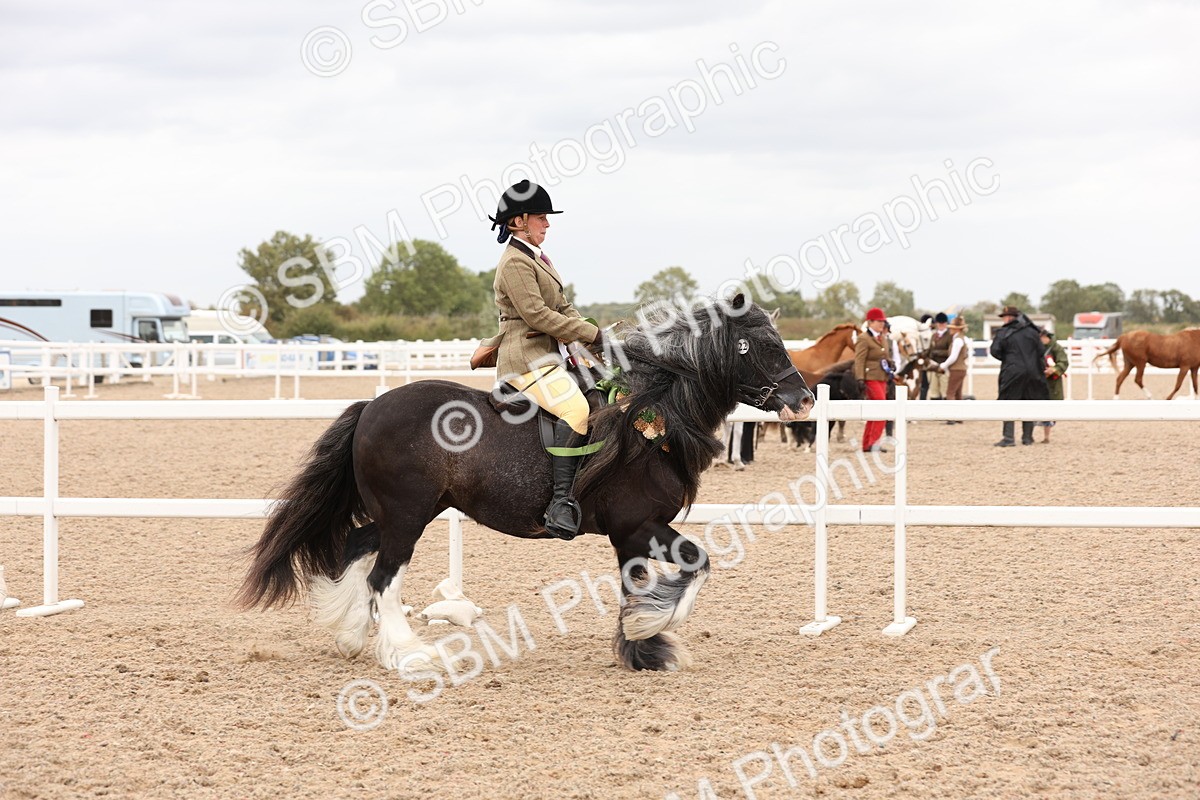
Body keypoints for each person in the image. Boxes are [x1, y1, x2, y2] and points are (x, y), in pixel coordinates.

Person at [485, 180, 602, 539]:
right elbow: (537, 315)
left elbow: (563, 307)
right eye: (540, 217)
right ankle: (561, 502)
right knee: (576, 411)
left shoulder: (537, 259)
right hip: (526, 361)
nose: (546, 224)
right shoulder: (514, 264)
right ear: (518, 221)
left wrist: (594, 342)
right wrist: (591, 335)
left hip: (550, 356)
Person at [988, 304, 1048, 447]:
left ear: (1008, 317)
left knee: (1008, 401)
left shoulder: (1004, 332)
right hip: (1032, 372)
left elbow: (995, 351)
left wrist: (1008, 359)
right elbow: (1041, 351)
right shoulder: (1032, 331)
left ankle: (1009, 437)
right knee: (1028, 402)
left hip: (1013, 372)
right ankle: (1027, 437)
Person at [854, 307, 894, 452]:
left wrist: (890, 362)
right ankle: (873, 443)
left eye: (883, 321)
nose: (882, 324)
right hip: (870, 378)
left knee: (874, 412)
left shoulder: (882, 338)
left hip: (882, 378)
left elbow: (883, 356)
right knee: (881, 410)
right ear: (870, 322)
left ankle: (867, 444)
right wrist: (860, 379)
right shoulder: (863, 338)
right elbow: (859, 360)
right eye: (879, 321)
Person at [1038, 326, 1069, 443]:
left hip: (1052, 383)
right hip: (1038, 381)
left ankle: (1046, 436)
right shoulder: (1036, 347)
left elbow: (1063, 362)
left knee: (1049, 408)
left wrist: (1053, 370)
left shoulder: (1056, 348)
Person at [939, 315, 970, 423]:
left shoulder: (957, 340)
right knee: (958, 393)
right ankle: (959, 416)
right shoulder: (961, 338)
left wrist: (943, 365)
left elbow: (953, 357)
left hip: (956, 369)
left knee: (950, 393)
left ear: (957, 329)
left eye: (951, 327)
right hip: (961, 368)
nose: (949, 329)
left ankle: (951, 416)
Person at [926, 312, 952, 399]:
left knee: (944, 391)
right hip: (933, 367)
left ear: (946, 323)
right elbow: (930, 349)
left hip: (944, 366)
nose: (941, 325)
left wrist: (937, 353)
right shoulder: (933, 335)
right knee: (933, 391)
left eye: (943, 323)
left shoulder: (949, 336)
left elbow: (950, 351)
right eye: (939, 323)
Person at [917, 313, 933, 400]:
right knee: (924, 384)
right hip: (922, 360)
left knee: (925, 384)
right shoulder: (925, 333)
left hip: (927, 360)